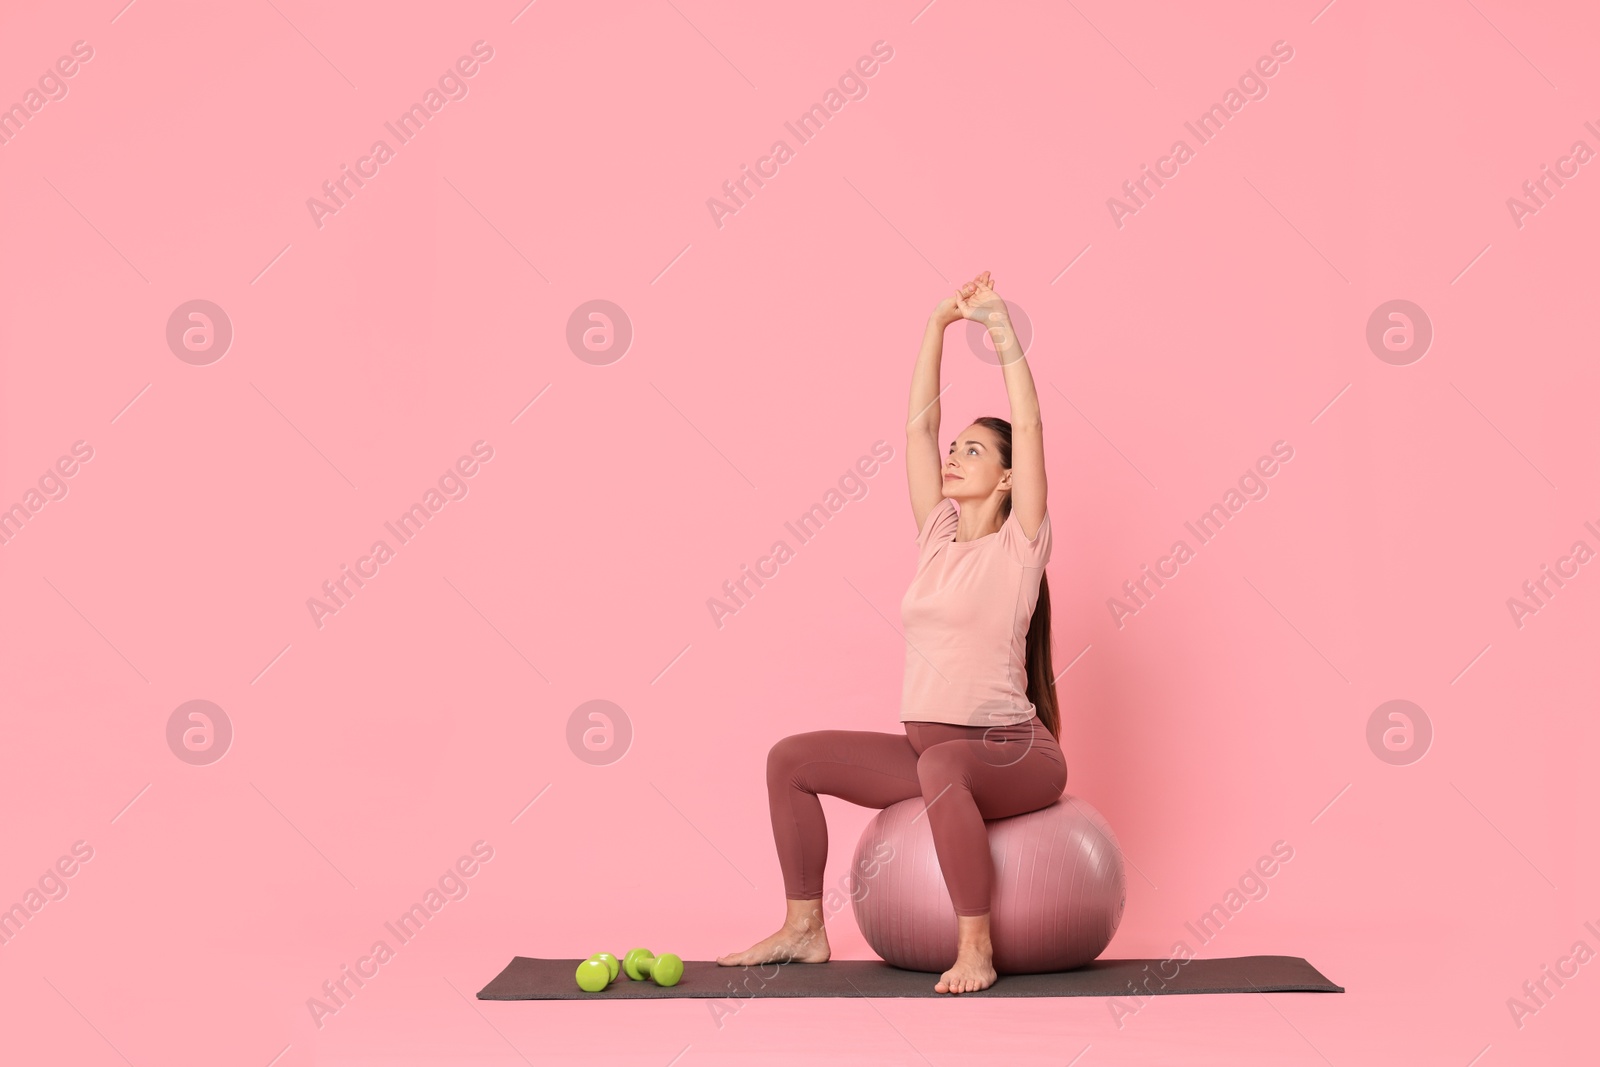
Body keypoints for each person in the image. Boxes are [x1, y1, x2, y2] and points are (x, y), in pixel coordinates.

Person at [717, 271, 1065, 994]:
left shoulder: (1020, 544)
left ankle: (976, 947)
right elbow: (916, 429)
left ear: (1008, 480)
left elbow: (1028, 426)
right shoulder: (937, 537)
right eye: (958, 447)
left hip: (1013, 754)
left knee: (942, 769)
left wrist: (999, 330)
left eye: (974, 452)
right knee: (791, 759)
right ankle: (805, 927)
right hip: (933, 754)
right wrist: (937, 327)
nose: (954, 456)